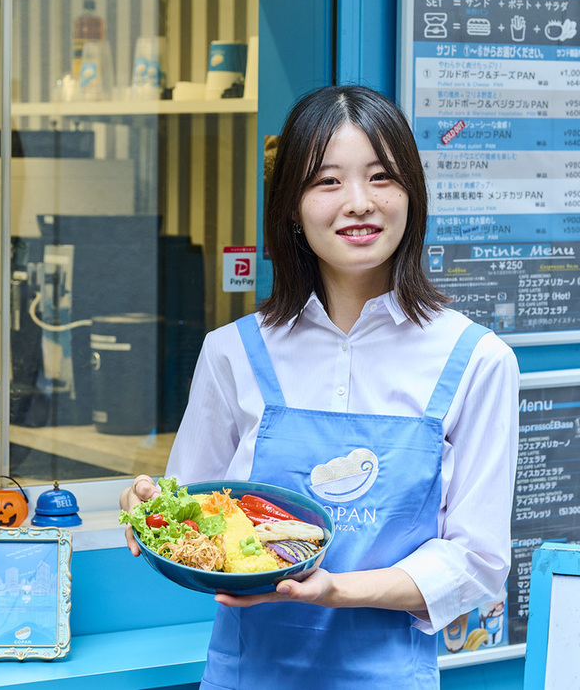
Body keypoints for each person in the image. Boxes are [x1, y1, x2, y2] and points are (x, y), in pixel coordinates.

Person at [120, 84, 519, 688]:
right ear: (291, 206)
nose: (358, 202)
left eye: (382, 177)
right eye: (327, 181)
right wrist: (149, 512)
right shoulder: (232, 352)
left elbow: (477, 563)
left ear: (413, 194)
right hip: (248, 673)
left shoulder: (477, 360)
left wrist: (335, 590)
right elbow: (193, 517)